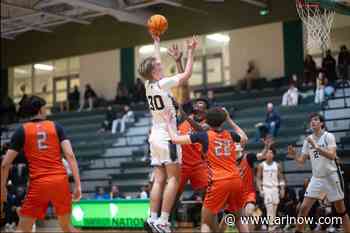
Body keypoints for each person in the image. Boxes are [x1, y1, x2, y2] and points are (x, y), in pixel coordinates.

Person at [138, 33, 198, 233]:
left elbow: (154, 62)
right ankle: (163, 221)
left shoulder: (148, 84)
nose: (161, 65)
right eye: (158, 65)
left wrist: (156, 42)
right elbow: (187, 75)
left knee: (158, 179)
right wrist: (190, 52)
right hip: (167, 136)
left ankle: (152, 217)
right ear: (154, 72)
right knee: (173, 179)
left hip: (154, 136)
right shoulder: (163, 83)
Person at [0, 95, 81, 232]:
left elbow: (5, 164)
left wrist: (2, 187)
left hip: (39, 183)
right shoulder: (56, 126)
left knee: (23, 229)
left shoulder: (22, 131)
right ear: (41, 110)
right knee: (67, 227)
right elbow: (70, 155)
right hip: (59, 181)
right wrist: (78, 185)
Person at [163, 107, 248, 233]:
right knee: (239, 219)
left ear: (207, 121)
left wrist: (167, 122)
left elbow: (175, 139)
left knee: (206, 223)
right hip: (236, 180)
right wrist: (229, 119)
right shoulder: (230, 135)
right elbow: (244, 137)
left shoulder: (204, 136)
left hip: (219, 182)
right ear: (222, 121)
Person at [287, 112, 350, 233]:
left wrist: (316, 146)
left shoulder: (328, 136)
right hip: (316, 178)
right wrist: (294, 155)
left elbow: (332, 155)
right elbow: (301, 161)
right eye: (311, 120)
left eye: (316, 119)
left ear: (321, 123)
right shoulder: (308, 140)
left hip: (331, 177)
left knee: (341, 211)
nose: (313, 122)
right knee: (303, 208)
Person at [256, 139, 285, 232]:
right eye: (267, 153)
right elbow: (258, 178)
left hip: (275, 189)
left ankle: (272, 225)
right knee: (269, 207)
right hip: (266, 188)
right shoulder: (261, 165)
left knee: (274, 207)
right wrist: (260, 190)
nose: (269, 154)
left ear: (273, 155)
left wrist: (282, 189)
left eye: (271, 153)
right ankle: (271, 227)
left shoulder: (278, 165)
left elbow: (281, 178)